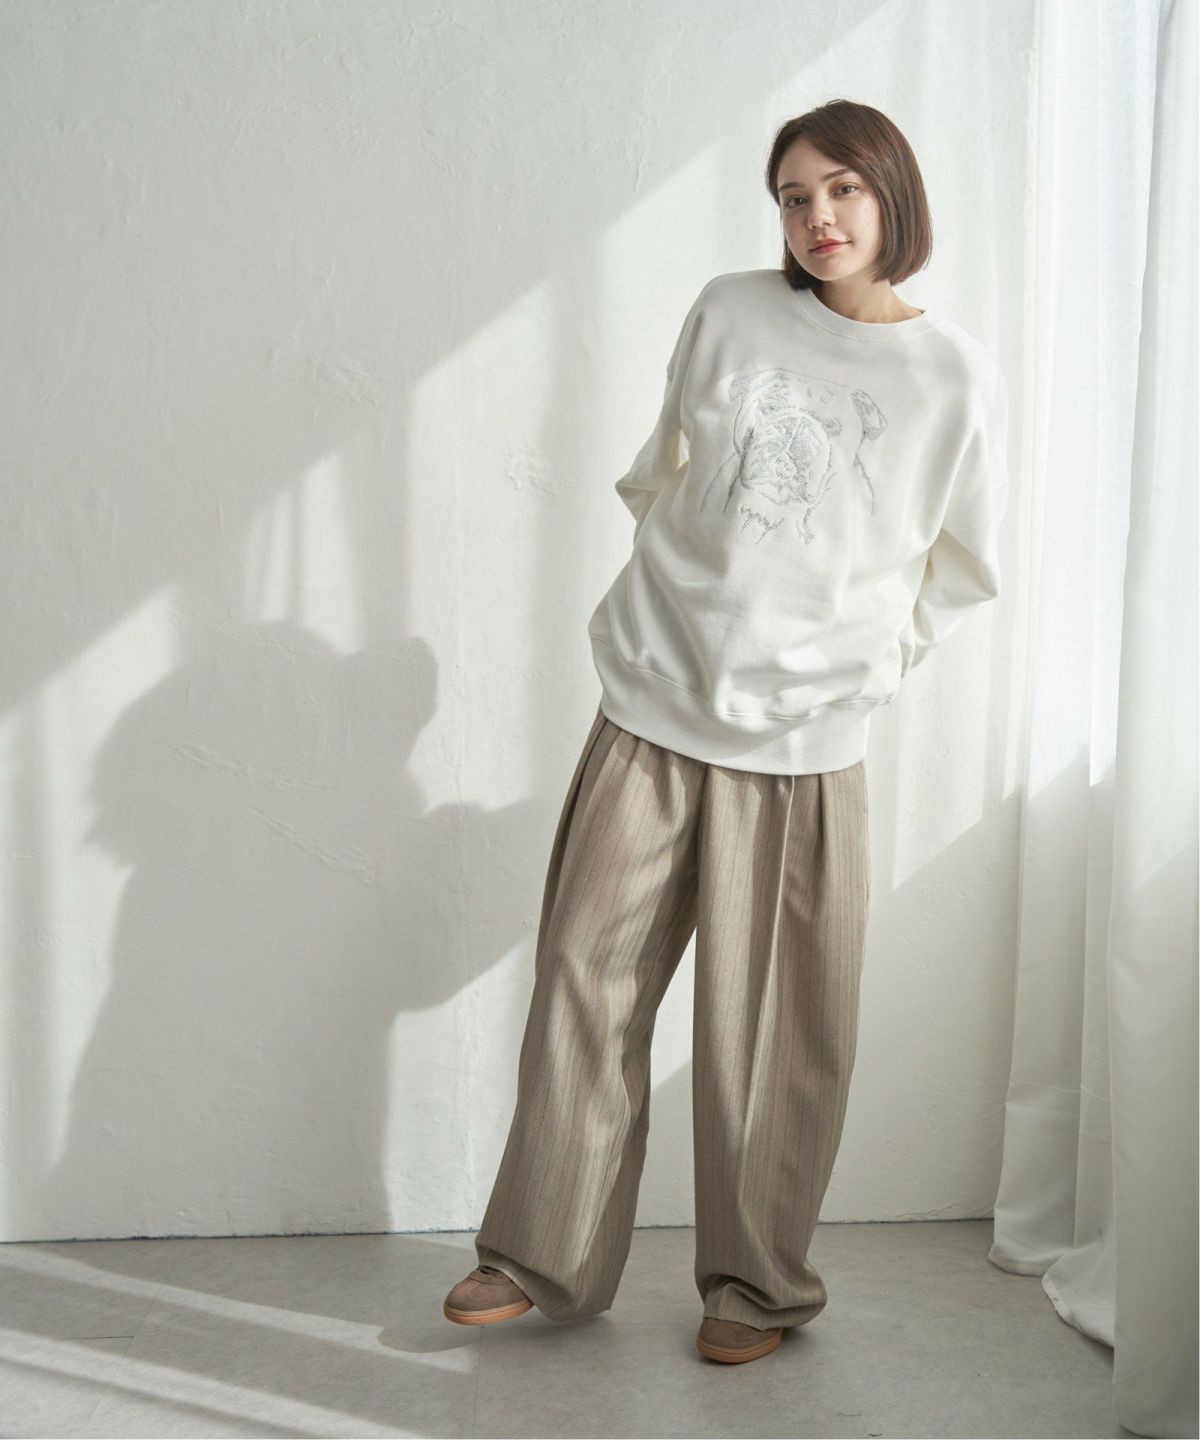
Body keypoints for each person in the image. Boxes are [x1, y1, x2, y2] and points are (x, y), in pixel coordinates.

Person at [442, 98, 1010, 1367]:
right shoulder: (729, 309)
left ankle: (754, 1288)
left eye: (843, 189)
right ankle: (537, 1251)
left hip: (804, 746)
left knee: (773, 1036)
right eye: (795, 196)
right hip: (654, 703)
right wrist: (678, 593)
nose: (818, 217)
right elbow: (661, 466)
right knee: (585, 975)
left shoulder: (951, 376)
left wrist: (866, 665)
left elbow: (965, 568)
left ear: (893, 194)